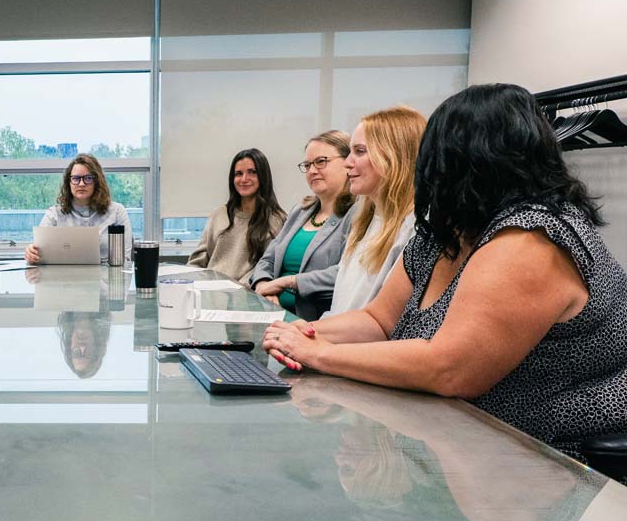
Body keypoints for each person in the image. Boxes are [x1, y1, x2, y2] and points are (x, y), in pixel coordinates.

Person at [263, 83, 627, 457]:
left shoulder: (531, 238)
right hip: (456, 441)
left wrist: (319, 353)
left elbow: (450, 368)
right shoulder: (449, 230)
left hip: (548, 462)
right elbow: (379, 320)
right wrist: (301, 333)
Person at [323, 106, 425, 316]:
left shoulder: (415, 228)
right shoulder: (364, 220)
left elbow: (380, 324)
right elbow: (344, 306)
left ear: (395, 156)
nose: (348, 163)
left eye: (359, 152)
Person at [250, 131, 356, 320]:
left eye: (321, 161)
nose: (312, 171)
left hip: (314, 322)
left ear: (348, 162)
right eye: (307, 165)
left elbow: (347, 274)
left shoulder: (357, 214)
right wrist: (264, 286)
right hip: (271, 313)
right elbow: (268, 259)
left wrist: (288, 282)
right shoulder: (300, 211)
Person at [187, 148, 286, 283]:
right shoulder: (218, 215)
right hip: (208, 292)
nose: (244, 179)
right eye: (238, 174)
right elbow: (198, 260)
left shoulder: (276, 220)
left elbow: (267, 268)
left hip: (246, 296)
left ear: (263, 176)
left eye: (252, 172)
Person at [24, 154, 133, 265]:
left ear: (97, 182)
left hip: (106, 279)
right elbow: (38, 253)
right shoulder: (54, 214)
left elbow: (126, 259)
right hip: (63, 279)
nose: (81, 184)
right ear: (69, 182)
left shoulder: (117, 212)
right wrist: (31, 253)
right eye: (76, 178)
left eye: (88, 178)